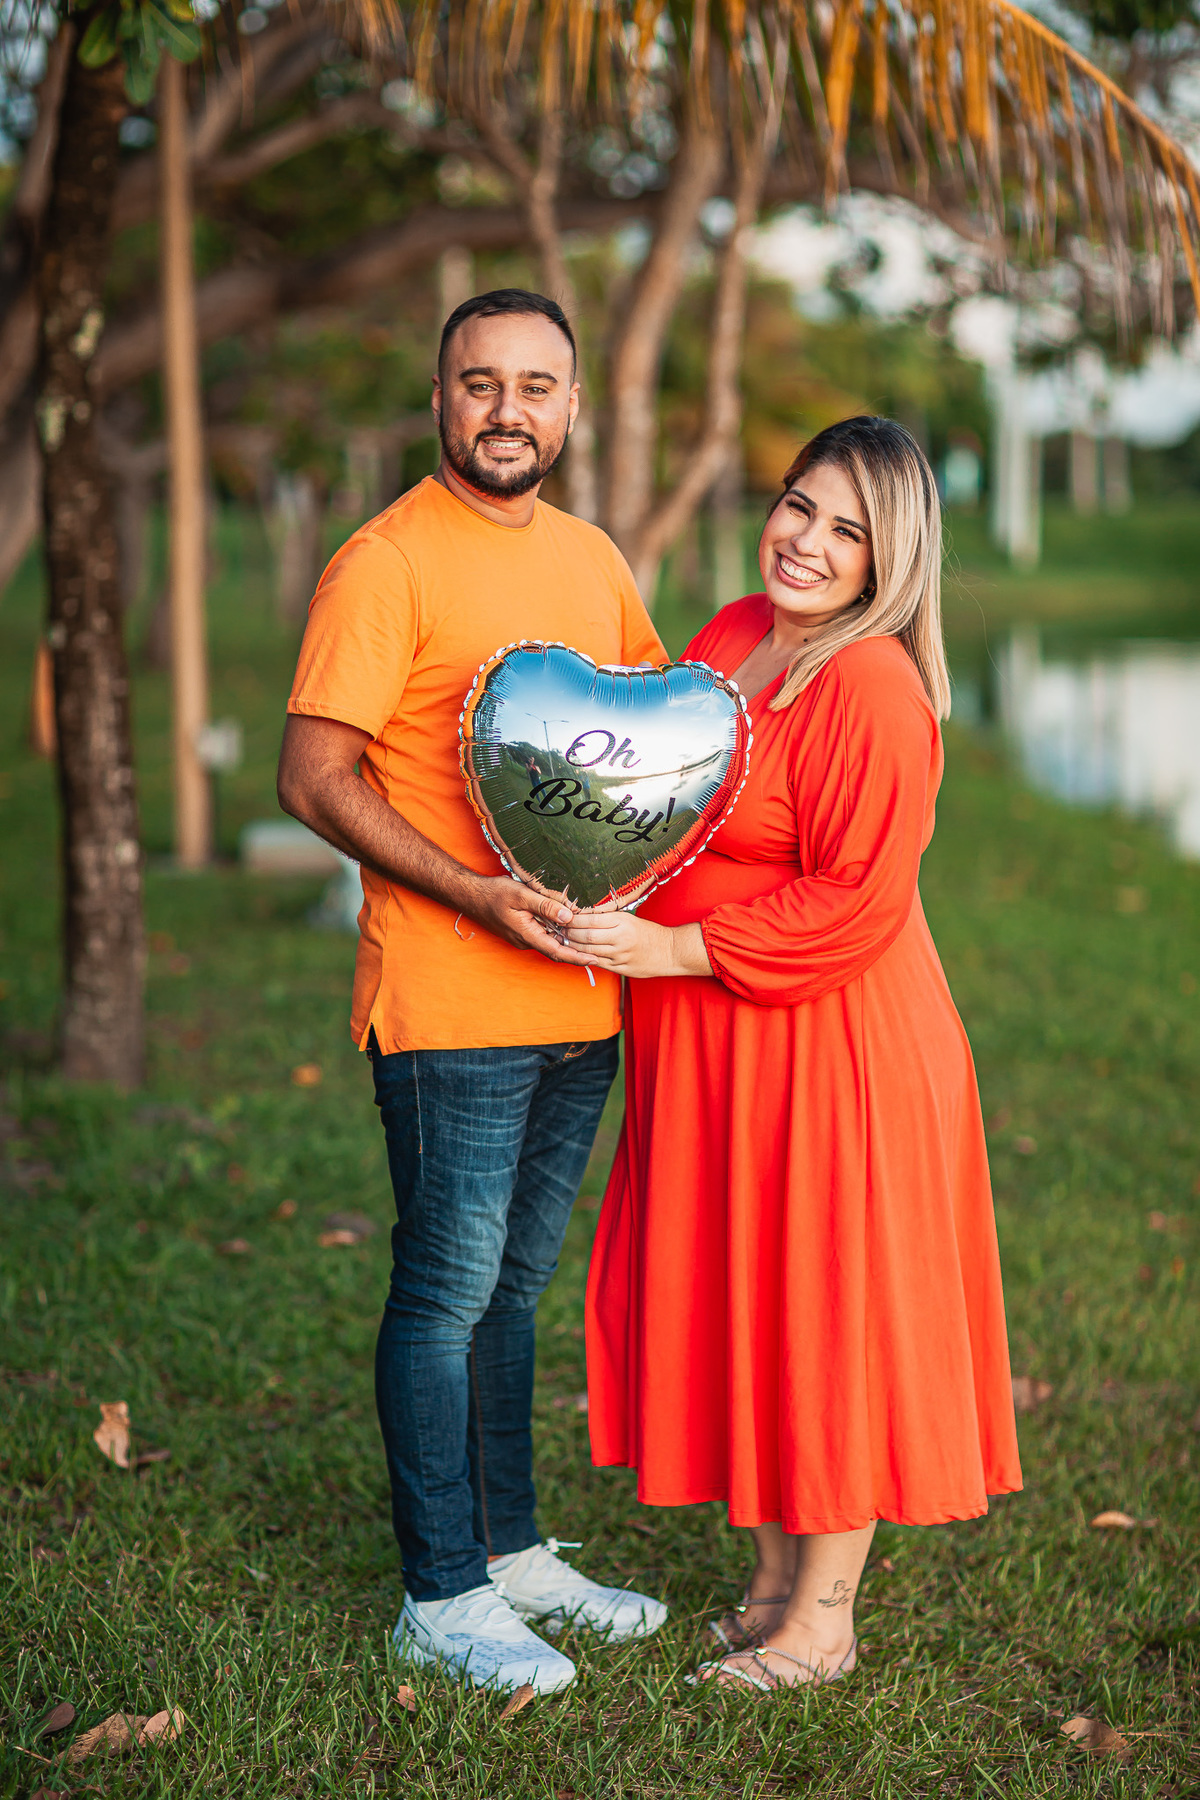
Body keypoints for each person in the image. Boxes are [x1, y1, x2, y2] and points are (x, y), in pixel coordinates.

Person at [556, 416, 1023, 1692]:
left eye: (847, 529)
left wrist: (673, 954)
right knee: (733, 1293)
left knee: (822, 1307)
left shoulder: (870, 686)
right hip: (707, 1046)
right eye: (798, 505)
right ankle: (767, 1590)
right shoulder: (727, 638)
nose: (807, 542)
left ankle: (824, 1623)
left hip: (830, 1045)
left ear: (892, 559)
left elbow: (857, 903)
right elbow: (649, 794)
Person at [277, 289, 668, 1696]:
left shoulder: (591, 558)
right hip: (450, 1002)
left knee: (515, 1293)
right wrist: (476, 892)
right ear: (442, 398)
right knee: (445, 1295)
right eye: (480, 382)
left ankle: (512, 1553)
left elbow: (634, 752)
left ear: (573, 406)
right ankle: (439, 1591)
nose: (509, 410)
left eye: (536, 385)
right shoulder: (385, 562)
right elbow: (312, 780)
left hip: (580, 1003)